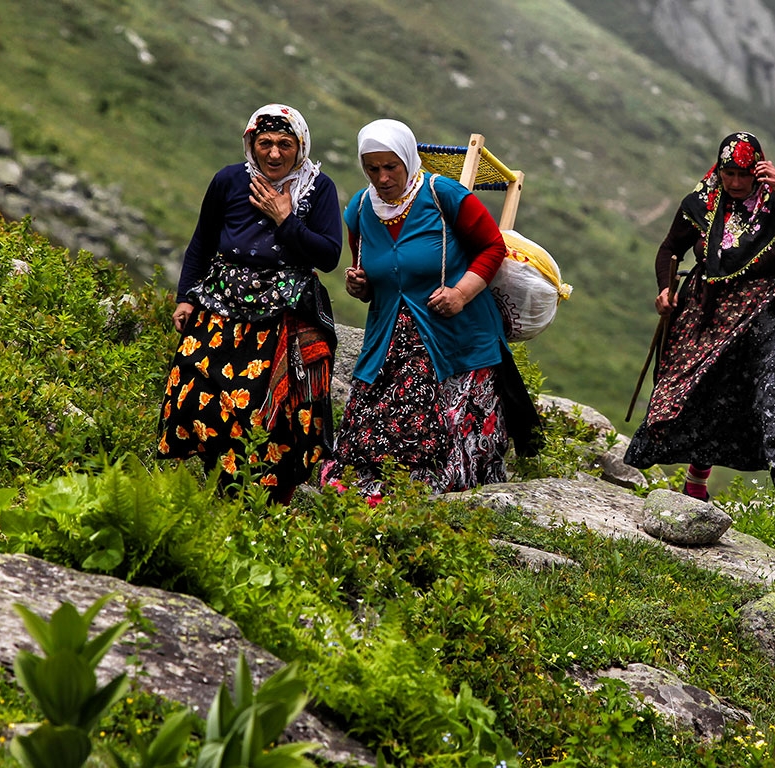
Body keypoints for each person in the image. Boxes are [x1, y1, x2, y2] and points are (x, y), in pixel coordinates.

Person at [320, 118, 540, 497]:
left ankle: (426, 498)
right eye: (372, 168)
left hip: (456, 334)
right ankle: (371, 495)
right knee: (371, 426)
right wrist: (360, 285)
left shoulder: (444, 195)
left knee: (443, 438)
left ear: (408, 159)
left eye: (391, 167)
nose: (383, 177)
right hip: (389, 339)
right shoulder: (359, 209)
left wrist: (461, 293)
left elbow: (492, 248)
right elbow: (372, 271)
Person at [624, 131, 775, 500]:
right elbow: (671, 247)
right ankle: (690, 482)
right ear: (719, 169)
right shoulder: (700, 202)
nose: (734, 182)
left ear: (759, 170)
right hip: (708, 309)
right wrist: (664, 289)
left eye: (744, 174)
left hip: (768, 311)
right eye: (728, 173)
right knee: (702, 386)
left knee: (770, 395)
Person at [156, 104, 341, 503]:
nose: (274, 154)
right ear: (251, 144)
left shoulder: (318, 188)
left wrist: (285, 218)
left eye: (285, 144)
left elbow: (328, 256)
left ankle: (264, 494)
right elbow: (201, 243)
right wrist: (186, 298)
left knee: (267, 409)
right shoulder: (228, 181)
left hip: (282, 312)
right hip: (221, 302)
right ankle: (216, 477)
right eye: (265, 143)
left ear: (301, 146)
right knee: (192, 384)